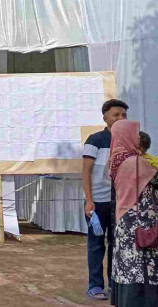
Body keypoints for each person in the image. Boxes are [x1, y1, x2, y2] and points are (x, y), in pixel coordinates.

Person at [108, 120, 158, 306]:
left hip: (125, 223)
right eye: (135, 134)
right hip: (141, 223)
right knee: (141, 264)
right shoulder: (137, 163)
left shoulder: (116, 160)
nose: (138, 137)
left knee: (126, 264)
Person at [83, 99, 128, 300]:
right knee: (96, 244)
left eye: (123, 115)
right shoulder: (95, 140)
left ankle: (114, 283)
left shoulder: (129, 140)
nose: (120, 118)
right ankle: (95, 285)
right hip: (98, 203)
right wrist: (89, 200)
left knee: (116, 244)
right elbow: (86, 172)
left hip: (120, 202)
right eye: (115, 115)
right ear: (105, 118)